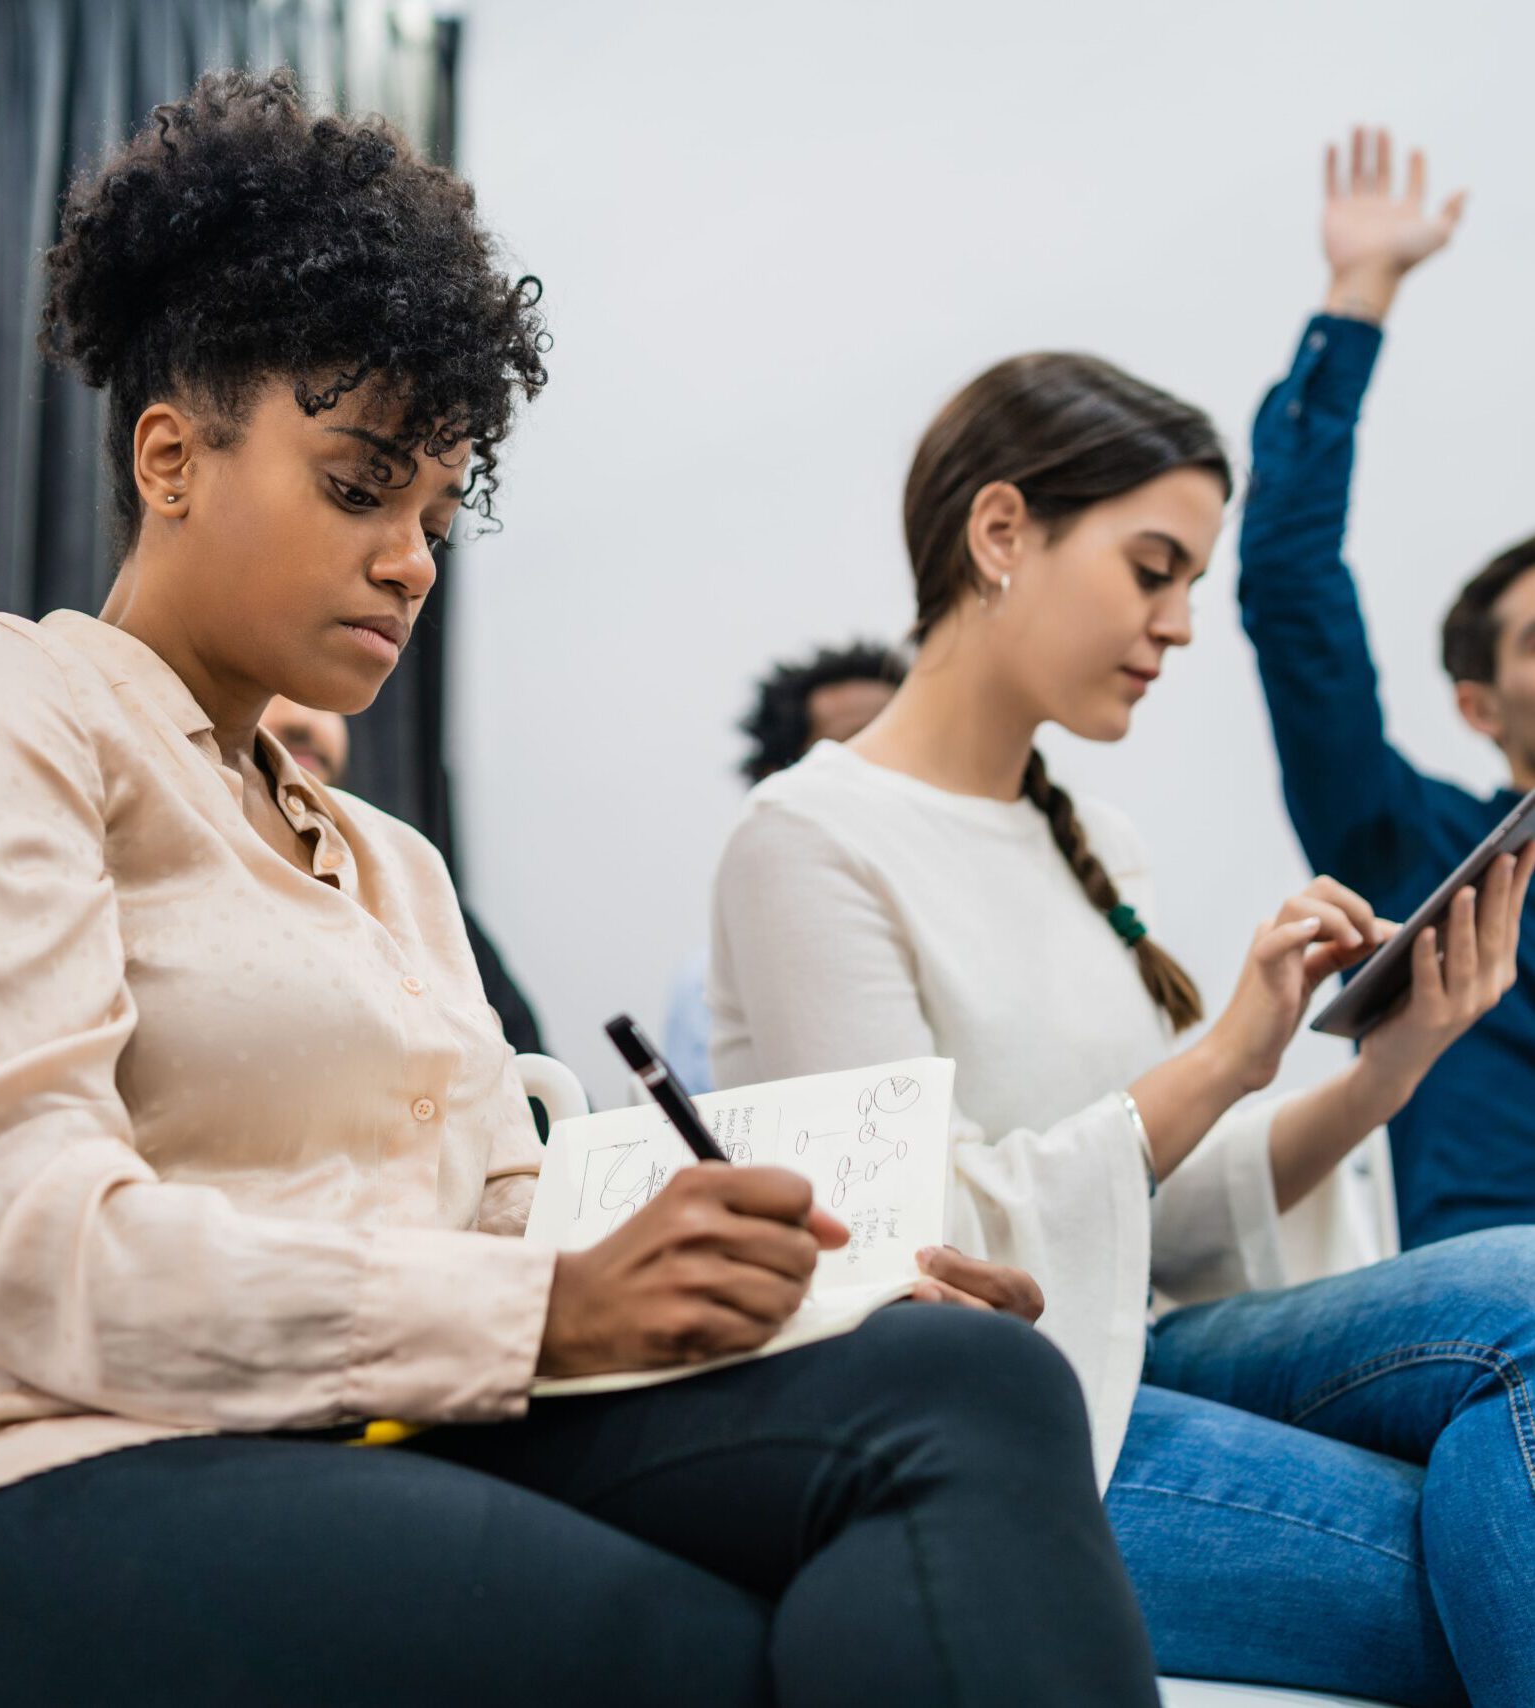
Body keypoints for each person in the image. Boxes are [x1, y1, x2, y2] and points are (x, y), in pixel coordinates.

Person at [0, 70, 1159, 1706]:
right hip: (8, 1464)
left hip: (366, 1420)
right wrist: (550, 1303)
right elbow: (18, 1248)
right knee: (729, 1653)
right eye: (357, 484)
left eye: (439, 511)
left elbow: (506, 1205)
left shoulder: (388, 865)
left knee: (963, 1376)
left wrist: (820, 1272)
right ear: (170, 455)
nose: (411, 559)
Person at [710, 344, 1535, 1704]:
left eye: (1196, 585)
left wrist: (1387, 1068)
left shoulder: (1095, 838)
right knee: (1483, 1518)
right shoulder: (808, 842)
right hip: (1002, 1411)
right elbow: (914, 1242)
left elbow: (1157, 1216)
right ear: (1001, 533)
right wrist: (1223, 1060)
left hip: (1152, 1339)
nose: (1182, 623)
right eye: (1155, 570)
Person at [1239, 127, 1535, 1250]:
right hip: (1506, 1319)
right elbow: (1289, 586)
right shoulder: (1417, 851)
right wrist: (1357, 296)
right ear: (1478, 704)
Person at [665, 643, 904, 1088]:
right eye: (852, 748)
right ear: (777, 778)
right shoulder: (702, 989)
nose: (886, 770)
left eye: (902, 743)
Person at [262, 695, 546, 1054]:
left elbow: (536, 1067)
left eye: (322, 700)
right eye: (268, 694)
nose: (302, 719)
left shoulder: (421, 888)